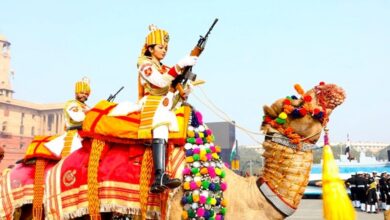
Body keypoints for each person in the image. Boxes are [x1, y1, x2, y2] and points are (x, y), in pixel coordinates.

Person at [137, 25, 198, 193]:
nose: (164, 51)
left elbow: (172, 96)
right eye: (160, 47)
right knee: (161, 123)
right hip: (151, 104)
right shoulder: (143, 64)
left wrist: (184, 92)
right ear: (150, 48)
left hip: (164, 104)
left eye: (165, 48)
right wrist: (180, 64)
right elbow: (161, 83)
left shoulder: (164, 67)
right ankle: (159, 176)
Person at [45, 78, 91, 157]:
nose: (84, 95)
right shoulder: (71, 104)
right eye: (82, 93)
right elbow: (78, 118)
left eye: (86, 94)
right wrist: (90, 113)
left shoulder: (87, 107)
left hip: (86, 134)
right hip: (75, 136)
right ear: (76, 93)